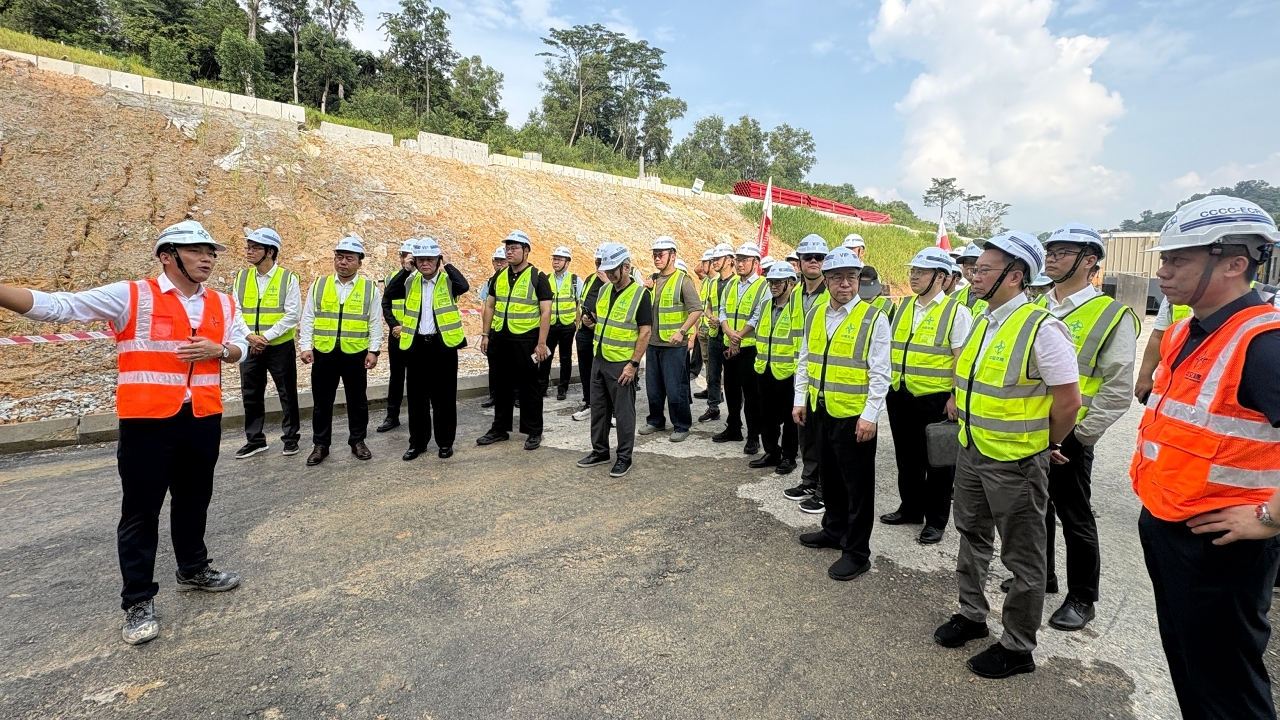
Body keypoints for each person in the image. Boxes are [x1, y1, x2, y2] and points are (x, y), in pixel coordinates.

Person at [0, 220, 248, 645]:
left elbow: (238, 345)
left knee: (194, 501)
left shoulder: (223, 303)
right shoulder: (132, 295)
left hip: (202, 418)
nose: (207, 258)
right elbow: (60, 307)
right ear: (167, 256)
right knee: (141, 512)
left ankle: (193, 569)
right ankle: (138, 599)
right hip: (147, 423)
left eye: (210, 251)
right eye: (196, 250)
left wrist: (221, 349)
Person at [1129, 196, 1280, 719]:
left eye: (1178, 260)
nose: (1163, 272)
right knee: (1192, 668)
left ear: (1235, 263)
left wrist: (1271, 516)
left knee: (1226, 686)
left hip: (1222, 545)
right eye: (1164, 259)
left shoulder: (1264, 344)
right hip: (1171, 523)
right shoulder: (1187, 331)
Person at [931, 231, 1081, 680]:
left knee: (1022, 557)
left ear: (1014, 276)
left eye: (983, 270)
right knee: (971, 535)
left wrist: (1047, 444)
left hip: (1016, 463)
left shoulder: (1043, 328)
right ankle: (972, 615)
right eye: (974, 269)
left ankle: (1017, 646)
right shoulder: (984, 320)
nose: (973, 276)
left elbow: (1069, 402)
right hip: (973, 450)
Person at [1008, 222, 1136, 632]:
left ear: (1089, 261)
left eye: (1063, 252)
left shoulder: (1111, 314)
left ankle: (1082, 598)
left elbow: (1118, 390)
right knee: (1035, 510)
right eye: (1051, 251)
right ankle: (1042, 575)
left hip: (1071, 438)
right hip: (1031, 432)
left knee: (1075, 517)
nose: (1052, 258)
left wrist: (1078, 437)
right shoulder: (1036, 306)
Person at [793, 247, 891, 582]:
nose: (844, 284)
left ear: (859, 279)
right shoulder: (815, 314)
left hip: (854, 416)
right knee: (830, 478)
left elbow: (881, 373)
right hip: (821, 409)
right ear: (826, 280)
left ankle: (858, 553)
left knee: (858, 488)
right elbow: (805, 359)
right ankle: (834, 531)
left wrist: (870, 415)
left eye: (851, 277)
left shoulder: (873, 317)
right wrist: (800, 400)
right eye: (837, 277)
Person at [882, 247, 972, 545]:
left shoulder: (956, 312)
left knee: (938, 464)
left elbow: (961, 358)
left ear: (942, 277)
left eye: (921, 272)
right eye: (913, 271)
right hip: (901, 394)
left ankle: (935, 521)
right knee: (907, 458)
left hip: (936, 399)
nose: (914, 276)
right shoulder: (904, 306)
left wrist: (955, 396)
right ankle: (910, 509)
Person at [384, 238, 469, 461]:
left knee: (444, 398)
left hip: (443, 346)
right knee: (417, 399)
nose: (425, 263)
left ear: (438, 260)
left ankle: (445, 443)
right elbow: (390, 293)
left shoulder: (448, 281)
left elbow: (464, 286)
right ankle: (418, 443)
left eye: (430, 259)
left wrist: (449, 264)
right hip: (416, 346)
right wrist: (406, 269)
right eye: (420, 260)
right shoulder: (410, 281)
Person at [299, 235, 382, 466]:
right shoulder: (319, 285)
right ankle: (320, 445)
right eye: (339, 257)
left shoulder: (369, 289)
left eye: (349, 258)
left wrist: (374, 350)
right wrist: (305, 346)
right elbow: (308, 317)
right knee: (322, 401)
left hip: (355, 352)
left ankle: (358, 441)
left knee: (357, 400)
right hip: (324, 352)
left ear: (359, 262)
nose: (343, 262)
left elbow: (375, 321)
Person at [576, 243, 653, 478]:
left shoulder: (640, 295)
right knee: (599, 409)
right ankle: (600, 451)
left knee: (623, 413)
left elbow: (645, 332)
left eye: (613, 270)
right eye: (606, 270)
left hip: (622, 364)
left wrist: (633, 364)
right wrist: (591, 321)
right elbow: (604, 320)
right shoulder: (604, 291)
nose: (609, 275)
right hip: (599, 359)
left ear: (626, 267)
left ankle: (624, 457)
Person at [478, 230, 552, 451]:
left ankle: (534, 431)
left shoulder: (538, 277)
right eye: (507, 248)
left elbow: (545, 312)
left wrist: (541, 343)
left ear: (526, 250)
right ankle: (500, 428)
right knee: (501, 386)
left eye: (514, 248)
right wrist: (485, 335)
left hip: (526, 340)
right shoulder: (499, 276)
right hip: (500, 339)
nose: (509, 252)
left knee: (529, 387)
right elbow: (490, 305)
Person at [233, 227, 302, 458]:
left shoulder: (288, 278)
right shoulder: (242, 278)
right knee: (250, 393)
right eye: (248, 247)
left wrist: (264, 338)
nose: (249, 251)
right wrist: (249, 336)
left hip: (279, 346)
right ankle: (255, 440)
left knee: (287, 393)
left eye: (255, 248)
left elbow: (292, 314)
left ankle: (291, 438)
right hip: (249, 344)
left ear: (270, 251)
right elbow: (236, 311)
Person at [782, 234, 831, 514]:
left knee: (824, 435)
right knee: (806, 432)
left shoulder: (831, 293)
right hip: (801, 373)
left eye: (819, 257)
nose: (813, 261)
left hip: (825, 375)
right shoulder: (794, 295)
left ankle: (825, 489)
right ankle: (809, 481)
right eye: (807, 257)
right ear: (799, 262)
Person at [640, 236, 703, 443]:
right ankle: (656, 420)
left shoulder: (683, 281)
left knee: (676, 389)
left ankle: (681, 425)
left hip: (674, 346)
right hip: (653, 343)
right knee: (654, 388)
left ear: (673, 256)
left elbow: (696, 310)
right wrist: (645, 290)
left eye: (661, 255)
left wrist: (682, 332)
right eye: (655, 255)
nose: (657, 258)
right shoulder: (652, 280)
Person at [713, 242, 770, 455]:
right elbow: (723, 310)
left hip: (749, 348)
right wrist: (729, 332)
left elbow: (758, 314)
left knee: (751, 394)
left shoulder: (763, 286)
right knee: (731, 390)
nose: (740, 264)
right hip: (730, 344)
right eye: (738, 259)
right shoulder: (731, 284)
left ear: (756, 262)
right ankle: (734, 427)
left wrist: (739, 336)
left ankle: (754, 436)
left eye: (745, 260)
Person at [752, 262, 803, 474]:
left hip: (787, 371)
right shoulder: (766, 305)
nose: (773, 286)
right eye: (771, 282)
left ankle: (789, 456)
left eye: (778, 282)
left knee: (791, 418)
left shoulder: (797, 308)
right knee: (767, 416)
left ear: (790, 283)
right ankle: (771, 452)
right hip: (764, 369)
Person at [378, 240, 418, 432]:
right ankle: (392, 416)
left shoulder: (423, 278)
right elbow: (386, 304)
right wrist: (394, 325)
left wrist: (407, 328)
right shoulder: (392, 278)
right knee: (396, 377)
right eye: (402, 255)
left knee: (416, 378)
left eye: (407, 256)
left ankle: (417, 416)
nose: (404, 259)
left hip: (416, 336)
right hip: (396, 336)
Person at [696, 242, 736, 422]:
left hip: (731, 336)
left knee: (732, 378)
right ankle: (713, 407)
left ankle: (734, 414)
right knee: (713, 374)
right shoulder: (713, 283)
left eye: (718, 259)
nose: (714, 262)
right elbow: (709, 306)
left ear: (729, 260)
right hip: (714, 334)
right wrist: (711, 316)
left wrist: (723, 322)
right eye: (713, 259)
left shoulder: (737, 282)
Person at [573, 244, 610, 422]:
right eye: (597, 262)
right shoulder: (589, 279)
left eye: (602, 262)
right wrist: (579, 324)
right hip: (584, 333)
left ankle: (611, 409)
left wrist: (608, 282)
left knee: (605, 373)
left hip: (603, 334)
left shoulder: (615, 282)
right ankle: (589, 403)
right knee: (586, 370)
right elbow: (581, 303)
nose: (599, 266)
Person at [541, 246, 580, 402]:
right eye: (554, 259)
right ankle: (542, 386)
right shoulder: (546, 279)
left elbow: (579, 303)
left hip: (567, 326)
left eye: (559, 259)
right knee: (545, 356)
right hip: (549, 326)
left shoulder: (575, 280)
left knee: (565, 357)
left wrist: (576, 325)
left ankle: (563, 388)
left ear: (567, 262)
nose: (555, 262)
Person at [479, 245, 508, 410]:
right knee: (494, 366)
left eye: (502, 261)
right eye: (496, 261)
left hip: (511, 330)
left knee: (513, 366)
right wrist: (485, 333)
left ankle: (516, 395)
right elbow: (485, 307)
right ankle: (494, 395)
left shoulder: (513, 282)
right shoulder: (490, 283)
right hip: (494, 331)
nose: (499, 264)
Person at [953, 243, 989, 314]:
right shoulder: (954, 296)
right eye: (966, 263)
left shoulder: (996, 297)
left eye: (974, 263)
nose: (969, 267)